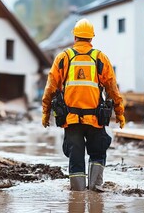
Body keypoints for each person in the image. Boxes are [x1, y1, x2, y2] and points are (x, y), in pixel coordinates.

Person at [41, 18, 125, 191]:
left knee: (76, 157)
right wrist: (120, 113)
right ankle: (95, 190)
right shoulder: (100, 58)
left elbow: (50, 88)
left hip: (71, 120)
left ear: (75, 37)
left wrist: (45, 113)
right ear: (91, 39)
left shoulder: (63, 58)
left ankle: (78, 195)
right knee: (98, 153)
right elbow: (112, 89)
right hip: (95, 119)